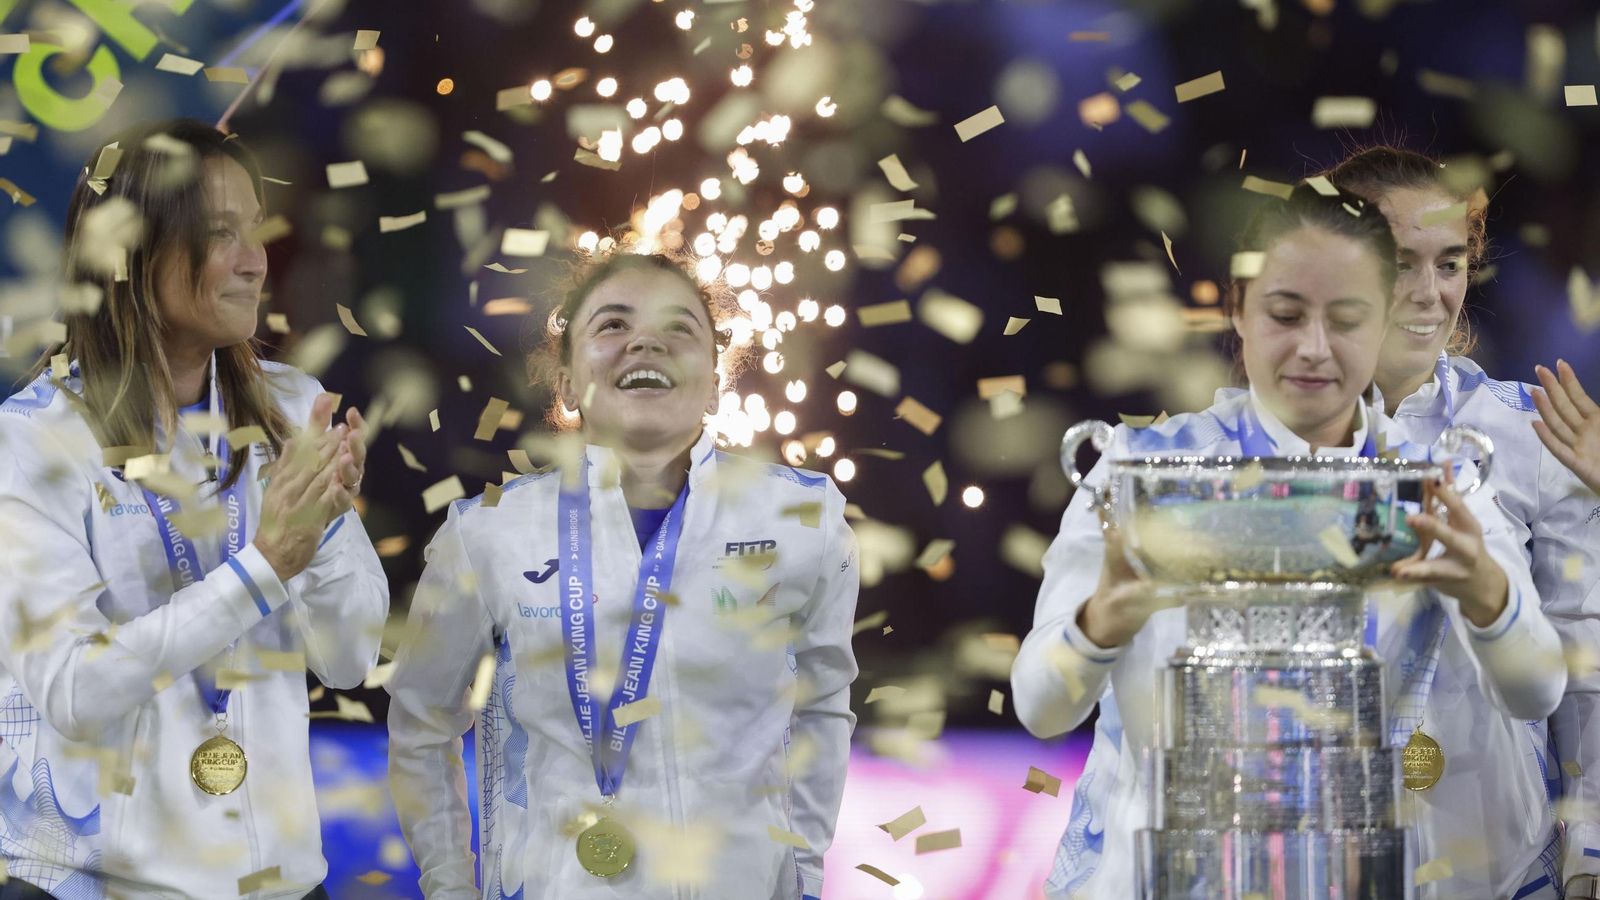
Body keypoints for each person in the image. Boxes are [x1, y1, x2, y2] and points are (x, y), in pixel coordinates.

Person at [1012, 185, 1567, 899]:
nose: (1313, 348)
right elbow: (1040, 706)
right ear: (1238, 310)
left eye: (1346, 319)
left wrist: (1488, 596)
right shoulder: (1145, 468)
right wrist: (1100, 624)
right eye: (1284, 314)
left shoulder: (1436, 485)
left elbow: (1538, 688)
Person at [385, 249, 858, 900]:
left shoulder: (803, 517)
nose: (645, 341)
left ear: (718, 382)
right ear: (568, 383)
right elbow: (420, 725)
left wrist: (800, 878)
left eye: (680, 329)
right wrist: (450, 888)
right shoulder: (487, 532)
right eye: (612, 325)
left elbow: (824, 707)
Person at [0, 119, 389, 898]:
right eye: (220, 234)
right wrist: (262, 569)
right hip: (93, 884)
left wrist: (330, 525)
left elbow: (348, 658)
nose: (255, 261)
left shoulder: (291, 407)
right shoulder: (33, 441)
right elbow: (74, 690)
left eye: (255, 230)